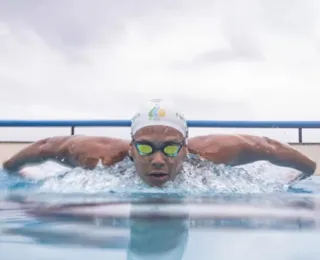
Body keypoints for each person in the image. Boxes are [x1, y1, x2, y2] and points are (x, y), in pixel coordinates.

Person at [2, 99, 316, 187]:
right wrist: (11, 171)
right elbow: (47, 145)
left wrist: (303, 172)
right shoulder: (98, 157)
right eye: (144, 147)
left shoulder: (215, 153)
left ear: (185, 147)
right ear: (130, 146)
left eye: (169, 148)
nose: (157, 160)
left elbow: (268, 146)